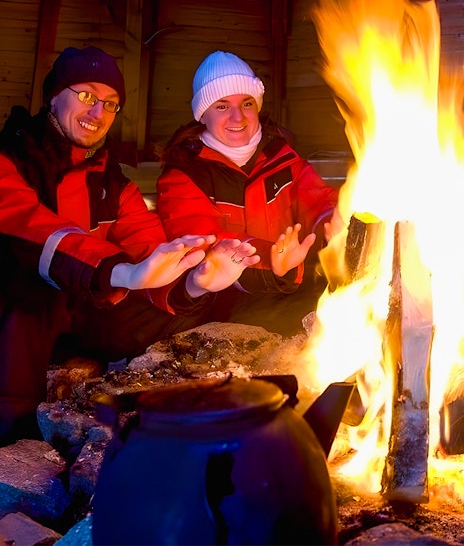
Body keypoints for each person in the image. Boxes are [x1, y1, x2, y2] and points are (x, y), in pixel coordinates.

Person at [0, 46, 260, 444]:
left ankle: (182, 428)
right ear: (54, 95)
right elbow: (33, 231)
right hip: (21, 310)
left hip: (85, 314)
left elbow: (151, 250)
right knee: (28, 305)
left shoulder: (112, 184)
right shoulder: (10, 160)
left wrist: (198, 281)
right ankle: (14, 449)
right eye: (86, 95)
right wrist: (121, 272)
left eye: (110, 104)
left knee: (200, 309)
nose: (97, 112)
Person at [156, 50, 340, 337]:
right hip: (224, 309)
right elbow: (205, 241)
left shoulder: (281, 155)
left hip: (290, 287)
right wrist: (270, 259)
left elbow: (317, 199)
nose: (237, 116)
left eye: (247, 103)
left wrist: (333, 221)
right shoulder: (183, 175)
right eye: (221, 106)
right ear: (202, 115)